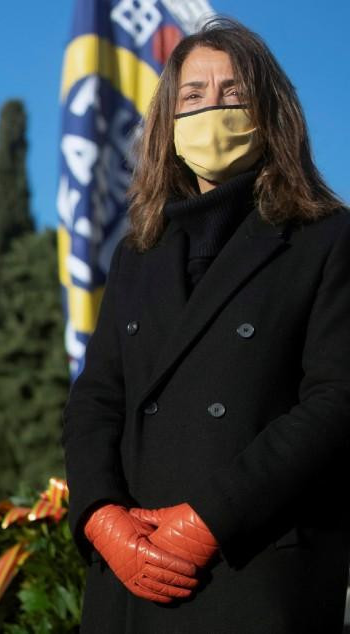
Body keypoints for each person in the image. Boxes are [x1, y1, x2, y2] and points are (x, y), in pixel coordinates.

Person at [62, 18, 350, 632]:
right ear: (167, 120)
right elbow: (96, 398)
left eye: (234, 94)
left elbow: (336, 401)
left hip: (254, 569)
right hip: (132, 575)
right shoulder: (138, 252)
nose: (211, 110)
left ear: (272, 113)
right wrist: (100, 515)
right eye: (193, 96)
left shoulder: (328, 239)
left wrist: (212, 518)